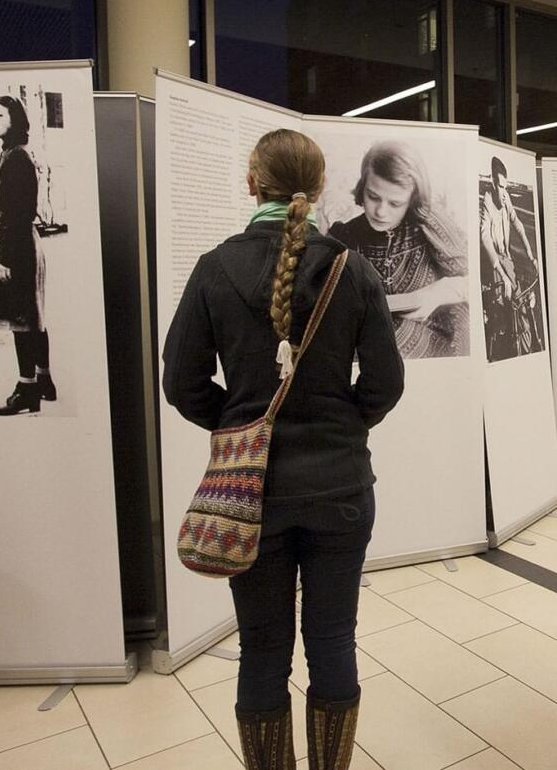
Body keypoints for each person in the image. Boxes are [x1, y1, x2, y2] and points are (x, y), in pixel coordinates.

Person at [163, 129, 404, 769]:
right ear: (320, 188)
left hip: (251, 496)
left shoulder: (216, 267)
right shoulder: (354, 270)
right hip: (341, 492)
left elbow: (179, 380)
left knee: (263, 651)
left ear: (252, 184)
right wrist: (344, 426)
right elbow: (386, 381)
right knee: (333, 643)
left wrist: (240, 425)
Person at [328, 140, 468, 359]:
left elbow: (473, 281)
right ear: (363, 186)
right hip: (369, 343)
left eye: (395, 204)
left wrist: (437, 294)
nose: (381, 212)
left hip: (434, 341)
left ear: (412, 199)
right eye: (373, 197)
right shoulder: (345, 236)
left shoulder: (428, 223)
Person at [0, 95, 55, 416]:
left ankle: (26, 389)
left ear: (15, 118)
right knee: (32, 313)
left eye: (0, 114)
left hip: (17, 246)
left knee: (21, 319)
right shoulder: (11, 155)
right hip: (23, 243)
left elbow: (19, 213)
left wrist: (5, 259)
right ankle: (44, 380)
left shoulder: (16, 159)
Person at [479, 156, 542, 360]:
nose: (503, 192)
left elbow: (519, 225)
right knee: (502, 309)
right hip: (494, 264)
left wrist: (532, 257)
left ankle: (525, 349)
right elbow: (484, 236)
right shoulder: (487, 202)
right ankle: (500, 350)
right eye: (500, 186)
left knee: (521, 301)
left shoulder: (506, 199)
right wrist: (502, 275)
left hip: (507, 259)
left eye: (505, 187)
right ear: (492, 183)